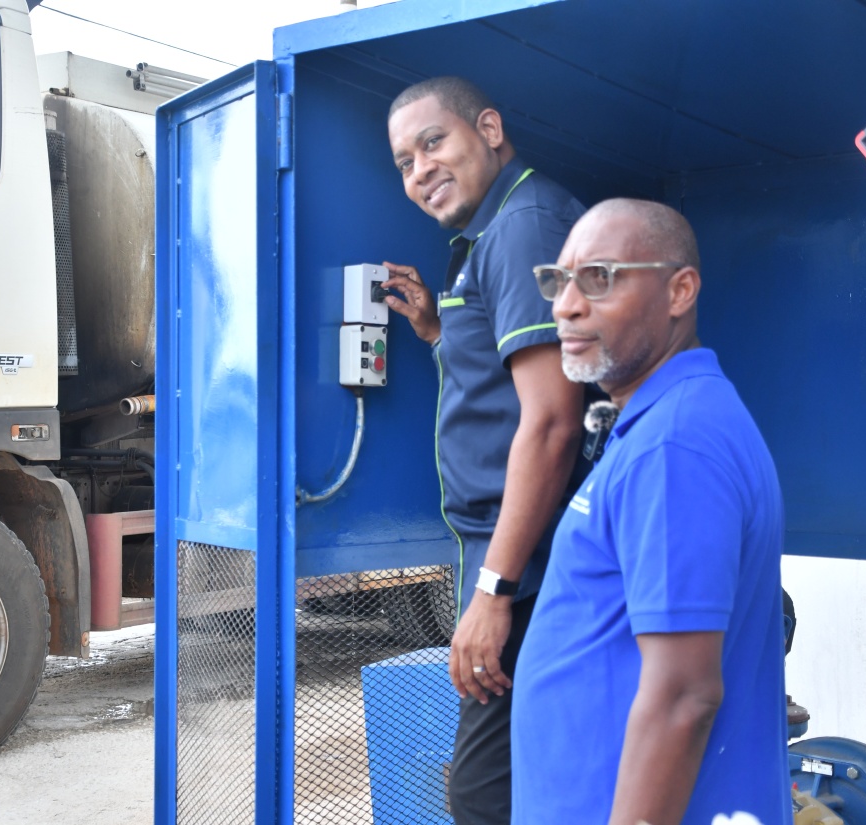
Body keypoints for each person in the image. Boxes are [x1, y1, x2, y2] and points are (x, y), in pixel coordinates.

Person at [511, 199, 790, 825]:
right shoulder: (664, 425)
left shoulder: (674, 444)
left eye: (600, 277)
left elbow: (683, 695)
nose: (565, 305)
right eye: (557, 281)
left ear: (679, 291)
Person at [382, 77, 586, 825]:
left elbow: (553, 420)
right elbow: (507, 387)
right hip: (522, 562)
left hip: (532, 570)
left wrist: (494, 592)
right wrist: (442, 331)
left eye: (433, 142)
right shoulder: (494, 234)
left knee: (482, 795)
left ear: (489, 128)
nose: (419, 171)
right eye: (404, 161)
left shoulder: (523, 224)